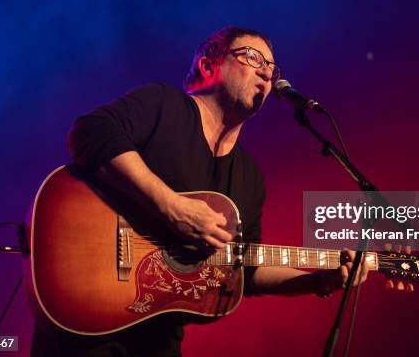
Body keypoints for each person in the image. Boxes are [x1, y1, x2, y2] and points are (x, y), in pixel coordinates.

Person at [30, 26, 368, 357]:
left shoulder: (249, 177)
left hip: (160, 338)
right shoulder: (164, 106)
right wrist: (172, 206)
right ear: (208, 66)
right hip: (87, 319)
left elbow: (246, 271)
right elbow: (91, 131)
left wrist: (319, 281)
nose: (267, 72)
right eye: (252, 57)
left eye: (272, 66)